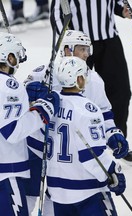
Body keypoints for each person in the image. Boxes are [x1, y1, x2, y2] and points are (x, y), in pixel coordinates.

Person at [23, 29, 130, 215]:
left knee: (59, 193)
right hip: (37, 148)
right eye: (82, 49)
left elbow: (104, 112)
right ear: (66, 50)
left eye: (87, 49)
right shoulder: (43, 74)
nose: (87, 54)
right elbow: (16, 105)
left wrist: (113, 133)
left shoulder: (93, 79)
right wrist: (29, 94)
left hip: (68, 154)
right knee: (28, 195)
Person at [50, 0, 132, 162]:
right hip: (78, 45)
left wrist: (121, 10)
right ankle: (80, 143)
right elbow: (56, 12)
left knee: (121, 91)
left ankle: (117, 139)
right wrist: (65, 40)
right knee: (77, 93)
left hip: (109, 39)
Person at [0, 32, 59, 216]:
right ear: (9, 57)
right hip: (6, 172)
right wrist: (44, 109)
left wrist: (28, 103)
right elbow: (12, 131)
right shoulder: (9, 85)